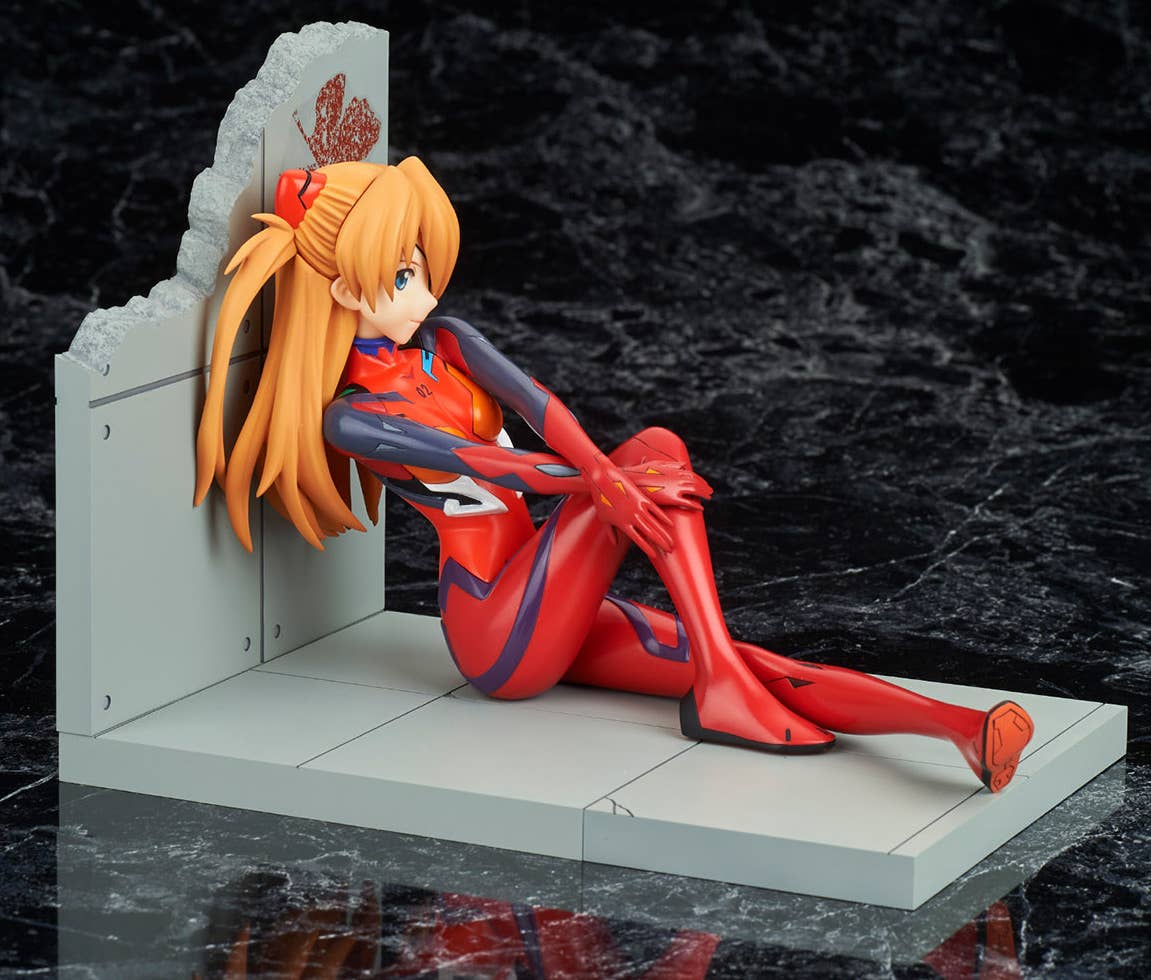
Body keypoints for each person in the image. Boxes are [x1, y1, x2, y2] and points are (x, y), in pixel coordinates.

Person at [195, 158, 1033, 791]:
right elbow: (494, 464)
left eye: (421, 264)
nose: (424, 291)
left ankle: (958, 729)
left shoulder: (447, 343)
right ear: (343, 288)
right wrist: (605, 486)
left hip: (553, 595)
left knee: (743, 657)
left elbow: (541, 408)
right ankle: (721, 688)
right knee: (653, 451)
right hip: (496, 631)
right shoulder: (351, 416)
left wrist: (606, 473)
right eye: (402, 274)